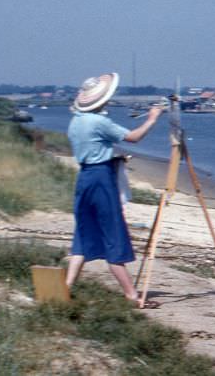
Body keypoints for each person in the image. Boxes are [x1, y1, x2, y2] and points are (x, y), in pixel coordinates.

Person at [64, 72, 162, 308]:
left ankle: (65, 287)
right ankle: (131, 295)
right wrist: (152, 119)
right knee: (113, 233)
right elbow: (133, 137)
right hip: (101, 179)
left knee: (83, 235)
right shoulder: (98, 122)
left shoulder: (76, 120)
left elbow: (95, 146)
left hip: (85, 177)